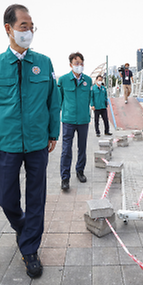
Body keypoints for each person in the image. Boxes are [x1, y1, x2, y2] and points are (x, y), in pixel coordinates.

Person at [0, 4, 60, 279]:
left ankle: (30, 250)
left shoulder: (44, 62)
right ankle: (23, 227)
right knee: (6, 198)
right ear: (8, 28)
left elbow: (53, 101)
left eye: (31, 26)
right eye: (23, 25)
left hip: (38, 143)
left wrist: (53, 132)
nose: (29, 31)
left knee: (36, 198)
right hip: (7, 145)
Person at [58, 52, 92, 190]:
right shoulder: (63, 80)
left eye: (81, 63)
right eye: (76, 63)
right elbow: (59, 100)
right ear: (70, 64)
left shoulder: (88, 80)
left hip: (83, 120)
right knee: (66, 150)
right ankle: (65, 178)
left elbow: (89, 98)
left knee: (82, 148)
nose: (79, 65)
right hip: (68, 120)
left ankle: (80, 171)